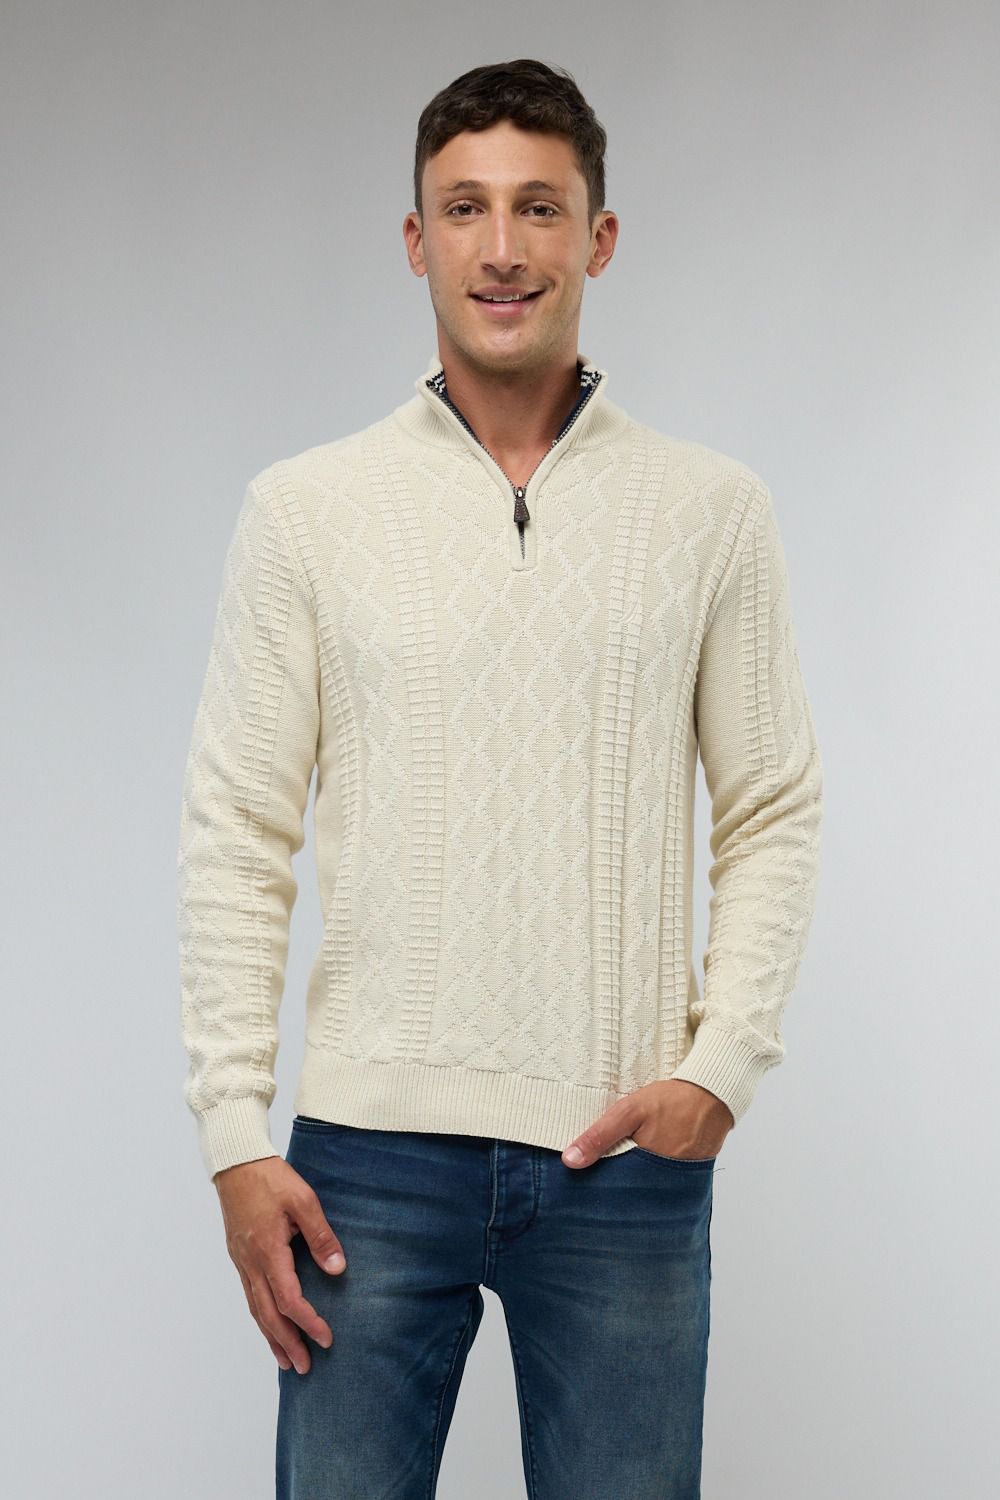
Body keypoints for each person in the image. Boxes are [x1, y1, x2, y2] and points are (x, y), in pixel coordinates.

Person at [176, 57, 824, 1500]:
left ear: (600, 237)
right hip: (364, 1169)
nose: (503, 247)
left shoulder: (713, 512)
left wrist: (720, 1068)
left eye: (540, 207)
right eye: (464, 208)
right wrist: (232, 1134)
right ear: (416, 240)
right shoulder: (306, 512)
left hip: (621, 1163)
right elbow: (238, 829)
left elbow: (772, 804)